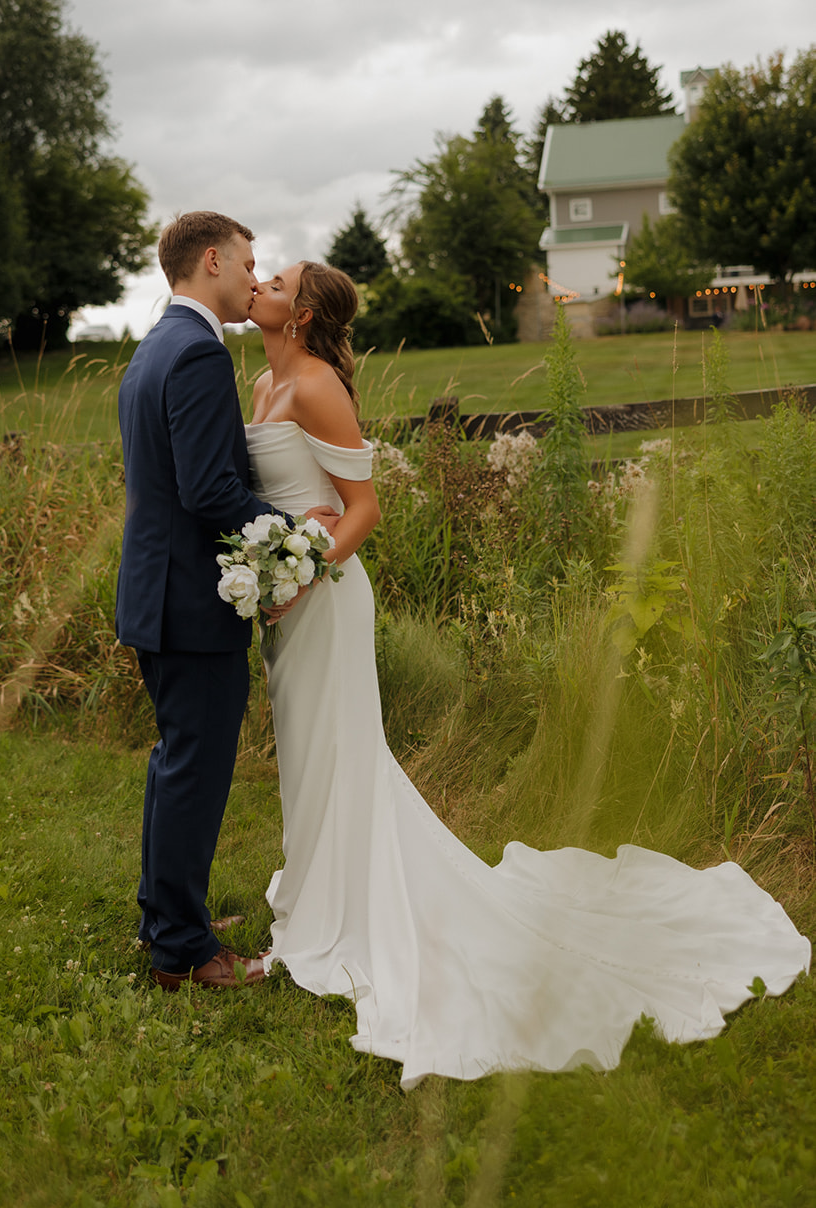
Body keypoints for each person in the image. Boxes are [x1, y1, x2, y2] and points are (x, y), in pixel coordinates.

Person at [245, 259, 811, 1087]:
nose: (259, 284)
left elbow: (362, 508)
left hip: (322, 597)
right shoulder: (262, 383)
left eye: (276, 280)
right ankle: (316, 892)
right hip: (287, 595)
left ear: (299, 316)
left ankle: (345, 912)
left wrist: (301, 575)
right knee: (304, 750)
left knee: (339, 747)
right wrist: (268, 566)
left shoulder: (317, 385)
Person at [115, 212, 337, 992]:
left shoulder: (153, 349)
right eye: (247, 262)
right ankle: (181, 949)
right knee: (194, 770)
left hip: (152, 591)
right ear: (210, 261)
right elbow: (210, 489)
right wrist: (302, 537)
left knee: (174, 763)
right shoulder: (202, 353)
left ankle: (167, 914)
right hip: (187, 603)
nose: (254, 275)